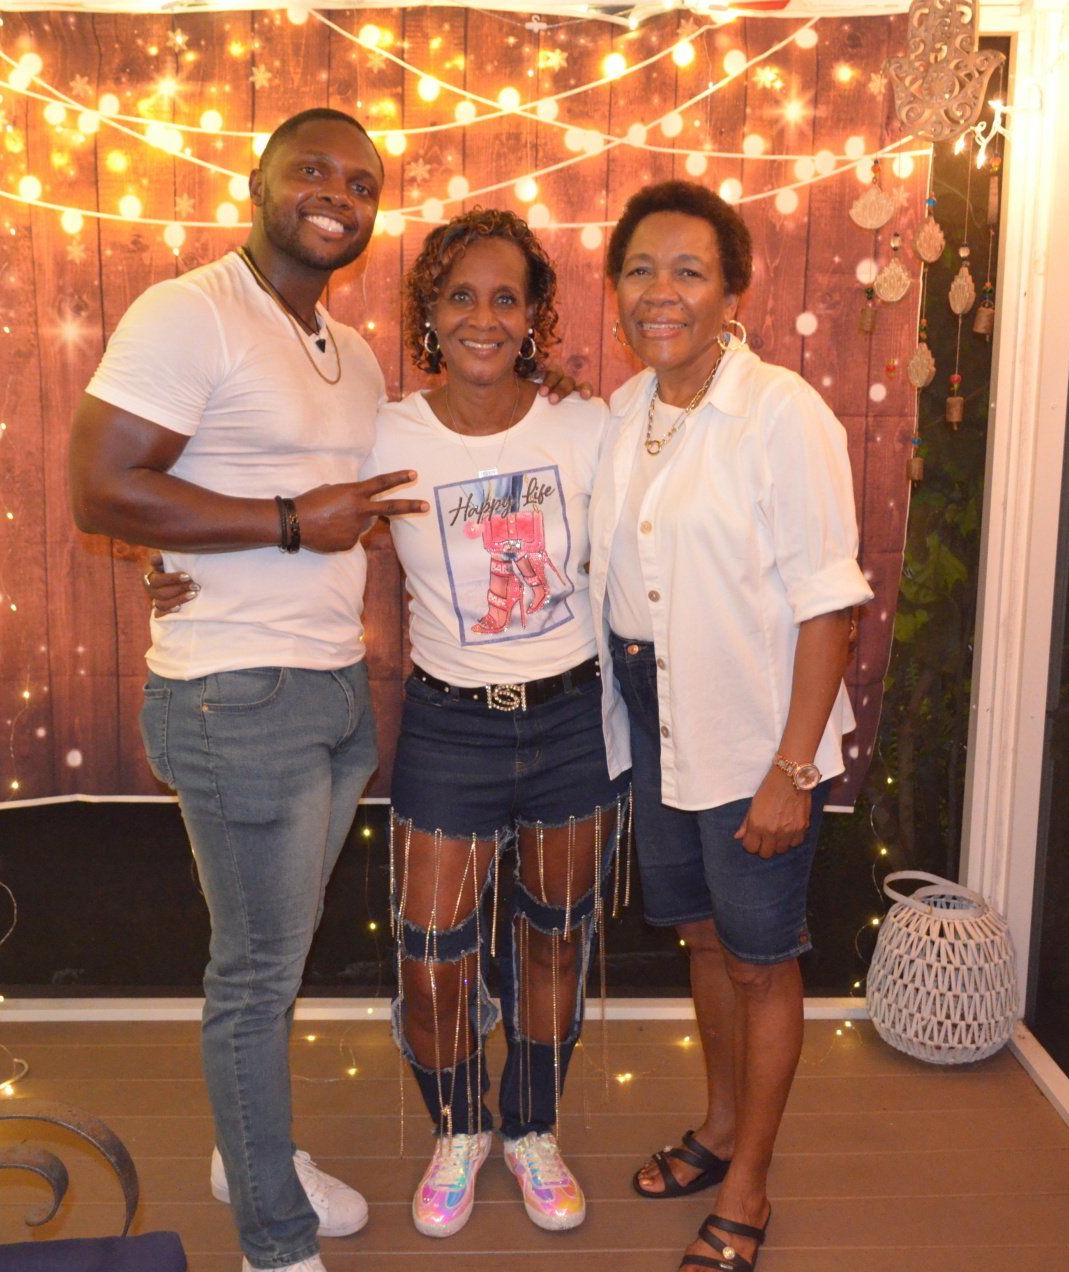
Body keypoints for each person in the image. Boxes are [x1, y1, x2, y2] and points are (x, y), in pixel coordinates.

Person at [149, 209, 620, 1241]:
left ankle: (532, 1128)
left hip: (573, 721)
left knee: (555, 943)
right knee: (431, 954)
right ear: (430, 313)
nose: (484, 317)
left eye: (507, 298)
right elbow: (270, 490)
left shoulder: (588, 426)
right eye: (461, 296)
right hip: (452, 726)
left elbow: (662, 530)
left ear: (535, 317)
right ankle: (460, 1129)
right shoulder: (386, 429)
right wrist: (174, 560)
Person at [68, 108, 416, 1272]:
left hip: (332, 692)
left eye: (361, 183)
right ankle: (273, 1237)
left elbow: (312, 496)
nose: (338, 195)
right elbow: (99, 487)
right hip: (234, 698)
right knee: (257, 977)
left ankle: (248, 1152)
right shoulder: (190, 312)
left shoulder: (351, 351)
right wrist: (284, 522)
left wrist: (203, 544)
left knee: (278, 958)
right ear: (255, 184)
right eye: (312, 170)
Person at [591, 181, 873, 1272]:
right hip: (656, 718)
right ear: (615, 289)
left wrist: (791, 770)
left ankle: (748, 1184)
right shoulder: (626, 410)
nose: (660, 293)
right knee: (703, 938)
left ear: (732, 293)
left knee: (761, 960)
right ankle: (716, 1129)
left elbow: (828, 603)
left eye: (688, 271)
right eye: (640, 270)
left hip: (753, 728)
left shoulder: (780, 413)